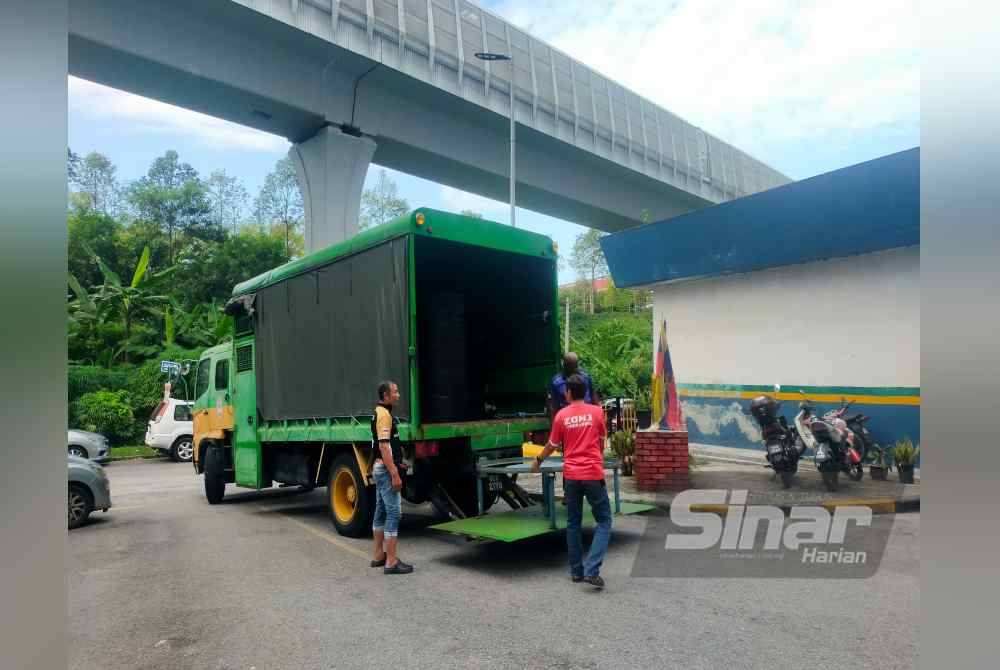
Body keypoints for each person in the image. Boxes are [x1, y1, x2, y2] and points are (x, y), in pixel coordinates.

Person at [533, 374, 611, 589]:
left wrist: (538, 461)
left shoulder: (561, 415)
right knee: (604, 521)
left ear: (567, 392)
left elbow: (552, 445)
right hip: (593, 474)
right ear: (585, 391)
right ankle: (592, 570)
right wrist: (596, 458)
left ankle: (577, 572)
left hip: (572, 476)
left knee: (573, 523)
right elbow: (602, 442)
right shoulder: (597, 412)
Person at [370, 380, 413, 575]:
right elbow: (384, 446)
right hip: (386, 470)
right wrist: (395, 473)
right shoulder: (384, 415)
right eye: (395, 392)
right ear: (386, 396)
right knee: (394, 513)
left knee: (380, 511)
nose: (398, 395)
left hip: (380, 468)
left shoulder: (381, 412)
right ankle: (391, 562)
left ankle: (379, 555)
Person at [548, 352, 599, 416]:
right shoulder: (556, 382)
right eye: (571, 367)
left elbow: (593, 395)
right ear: (565, 365)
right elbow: (554, 405)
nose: (574, 369)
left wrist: (599, 411)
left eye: (575, 366)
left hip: (587, 414)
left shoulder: (585, 376)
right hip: (568, 417)